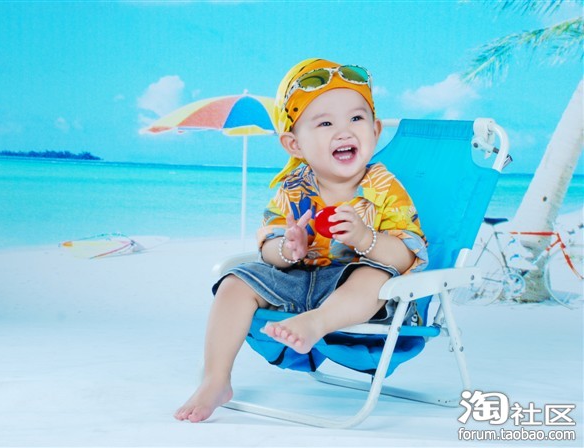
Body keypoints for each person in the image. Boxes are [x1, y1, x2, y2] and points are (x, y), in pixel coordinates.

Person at [175, 58, 428, 423]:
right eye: (325, 123)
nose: (343, 132)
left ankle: (316, 323)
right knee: (234, 282)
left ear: (375, 130)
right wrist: (288, 247)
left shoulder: (384, 187)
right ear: (294, 144)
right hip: (297, 282)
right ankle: (216, 378)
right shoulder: (293, 190)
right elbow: (268, 247)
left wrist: (365, 237)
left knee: (375, 276)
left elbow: (407, 255)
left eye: (356, 119)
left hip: (355, 296)